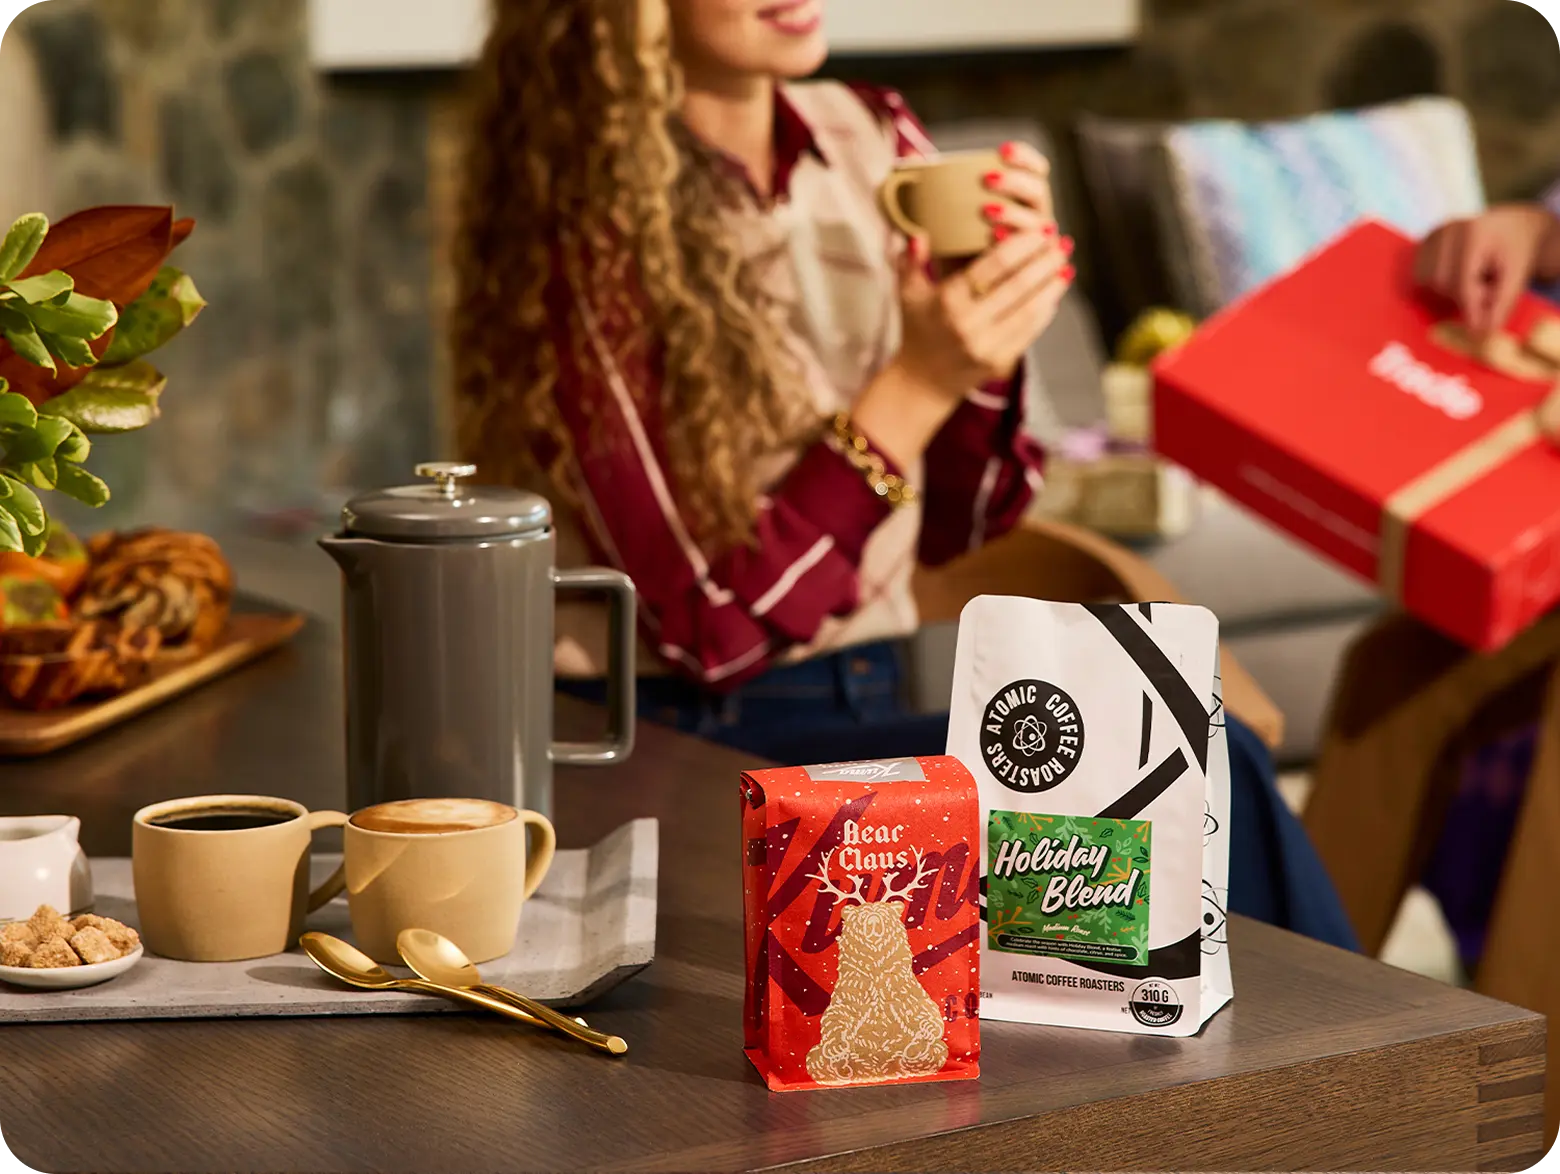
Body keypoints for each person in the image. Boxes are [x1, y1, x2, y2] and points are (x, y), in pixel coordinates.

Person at [449, 0, 1359, 951]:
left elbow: (965, 527)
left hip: (871, 712)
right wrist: (920, 384)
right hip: (675, 755)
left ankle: (1312, 1080)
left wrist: (987, 342)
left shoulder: (873, 138)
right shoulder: (582, 223)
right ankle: (1373, 1077)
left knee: (1195, 780)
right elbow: (707, 628)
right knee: (1201, 772)